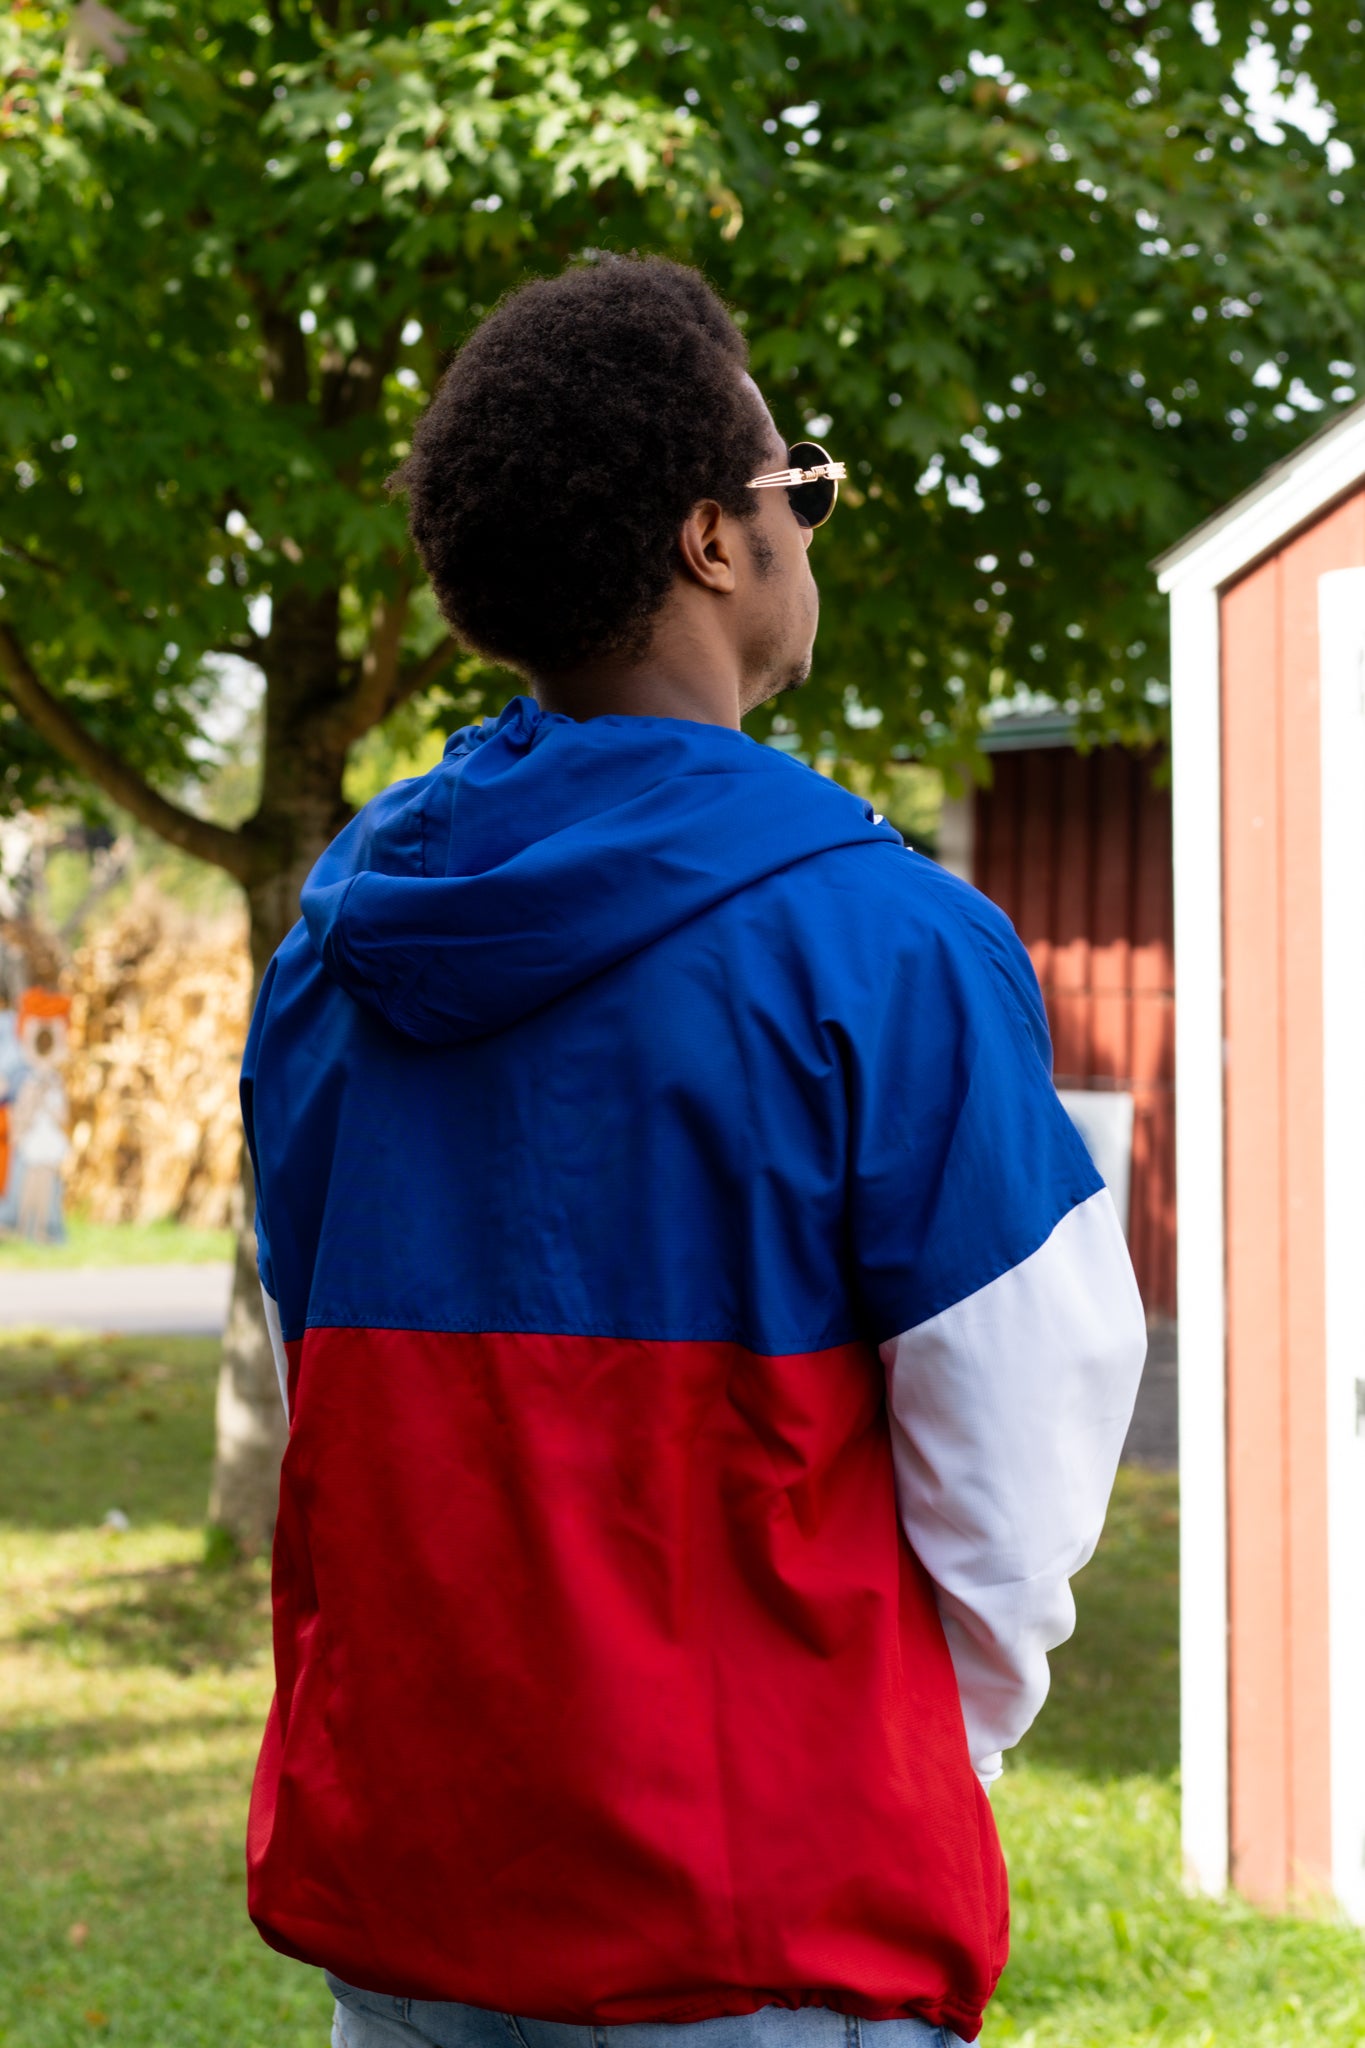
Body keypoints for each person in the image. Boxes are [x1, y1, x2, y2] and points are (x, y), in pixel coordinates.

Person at [240, 256, 1146, 2048]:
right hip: (759, 1939)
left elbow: (339, 1386)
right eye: (795, 488)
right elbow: (1024, 1452)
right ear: (716, 545)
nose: (811, 528)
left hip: (416, 1921)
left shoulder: (331, 950)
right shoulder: (887, 948)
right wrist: (879, 1746)